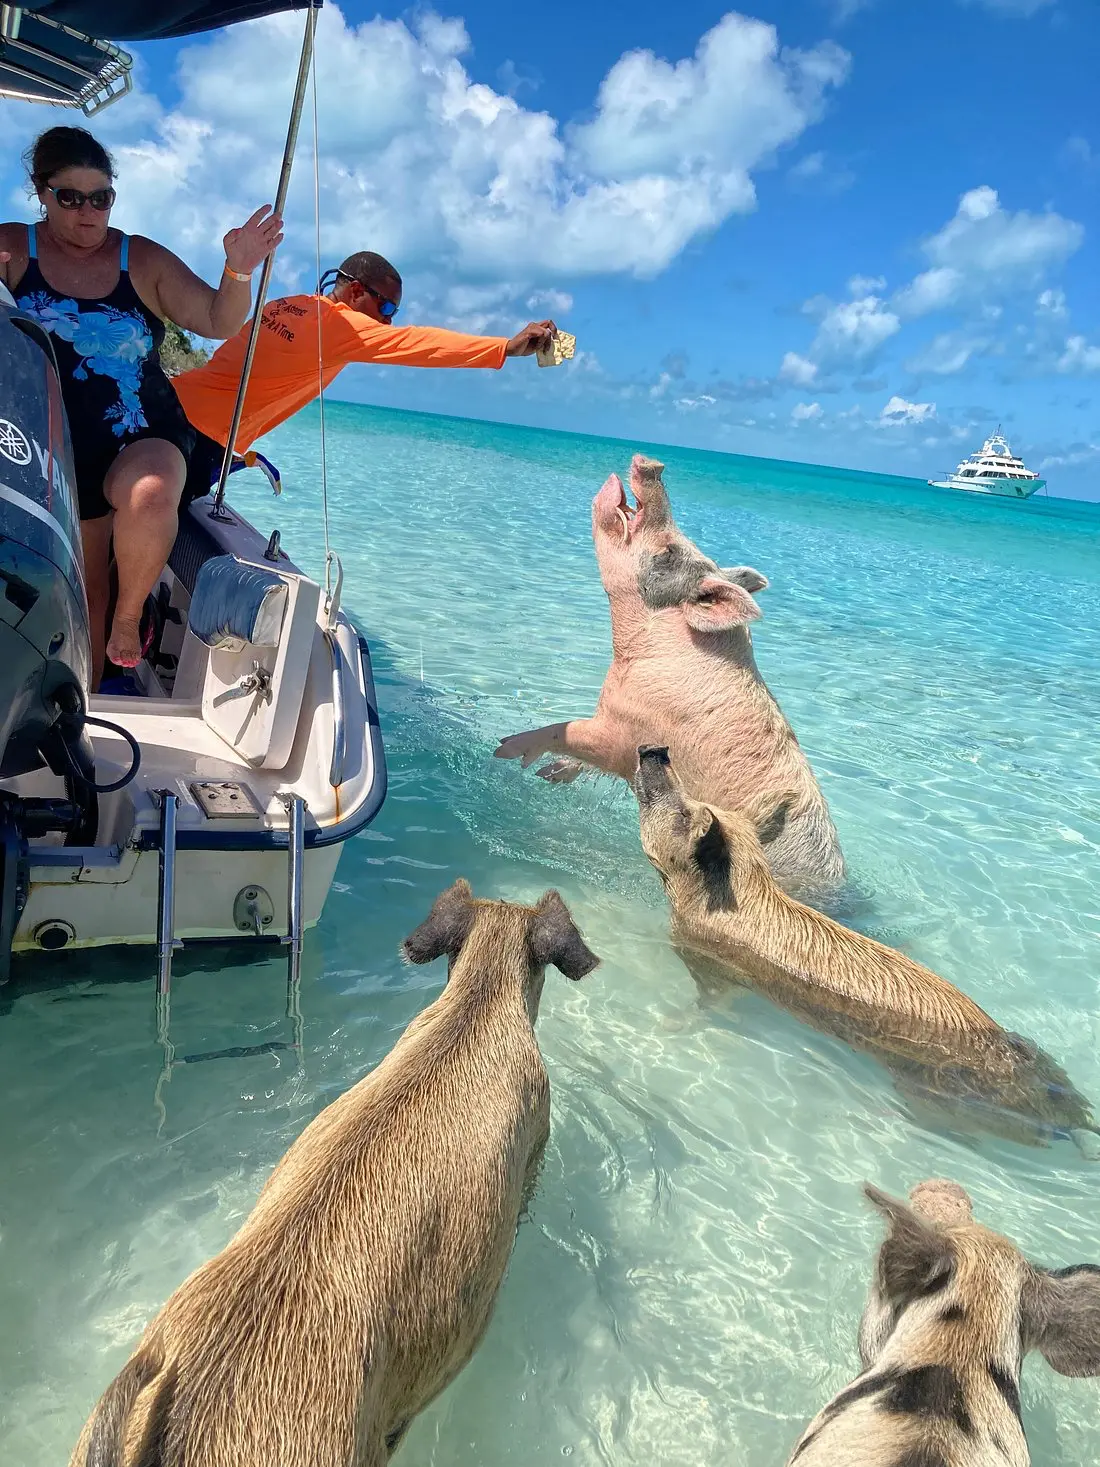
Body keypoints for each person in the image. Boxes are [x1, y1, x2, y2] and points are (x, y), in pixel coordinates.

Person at [0, 125, 282, 683]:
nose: (88, 212)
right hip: (49, 440)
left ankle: (130, 622)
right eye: (70, 198)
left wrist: (238, 269)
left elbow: (218, 320)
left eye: (101, 197)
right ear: (41, 193)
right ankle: (83, 694)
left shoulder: (141, 259)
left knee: (151, 496)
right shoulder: (11, 250)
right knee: (84, 586)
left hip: (142, 428)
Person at [171, 251, 562, 490]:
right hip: (198, 437)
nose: (388, 322)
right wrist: (503, 348)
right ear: (355, 291)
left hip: (171, 400)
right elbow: (419, 344)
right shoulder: (340, 326)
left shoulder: (289, 304)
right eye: (386, 308)